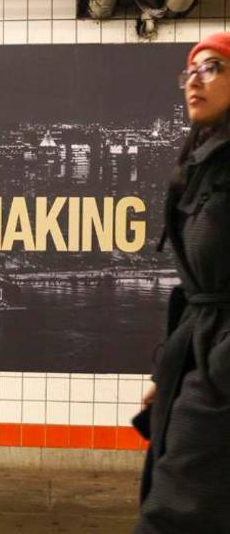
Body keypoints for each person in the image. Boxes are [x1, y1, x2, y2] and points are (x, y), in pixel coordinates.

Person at [135, 31, 230, 533]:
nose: (195, 81)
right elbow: (198, 292)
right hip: (204, 354)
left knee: (176, 510)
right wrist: (170, 368)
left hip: (220, 370)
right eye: (190, 72)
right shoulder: (202, 162)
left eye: (212, 67)